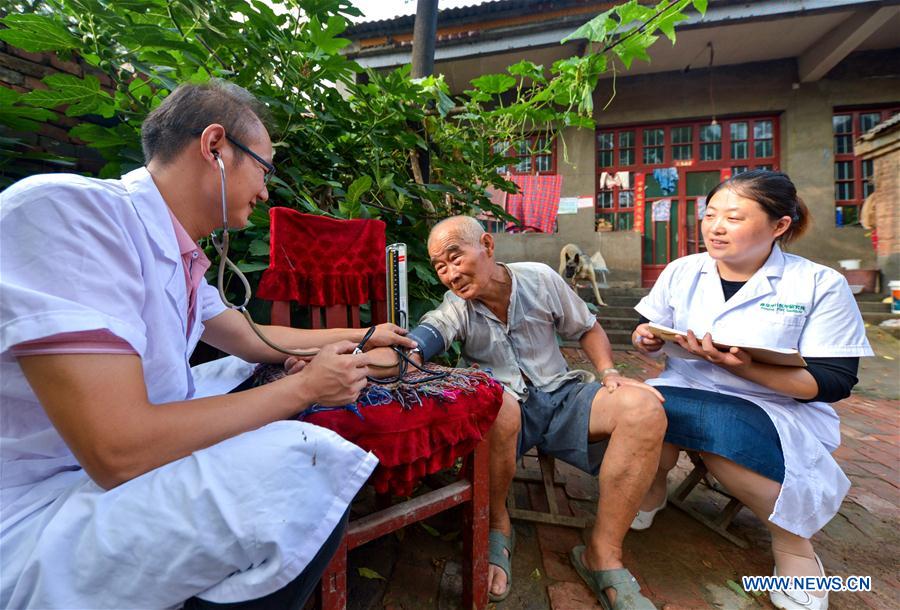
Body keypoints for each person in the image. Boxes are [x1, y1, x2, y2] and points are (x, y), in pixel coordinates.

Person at [0, 79, 415, 609]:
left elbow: (255, 338)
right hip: (38, 505)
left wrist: (366, 335)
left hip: (105, 477)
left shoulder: (183, 258)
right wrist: (305, 387)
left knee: (257, 395)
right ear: (215, 147)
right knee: (300, 467)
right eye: (264, 169)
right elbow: (116, 450)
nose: (265, 192)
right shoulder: (70, 214)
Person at [631, 170, 872, 610]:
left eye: (734, 217)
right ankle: (651, 489)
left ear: (779, 225)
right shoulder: (683, 270)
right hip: (682, 385)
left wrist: (745, 369)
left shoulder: (819, 284)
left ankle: (794, 547)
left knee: (721, 437)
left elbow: (833, 381)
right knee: (634, 411)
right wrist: (643, 338)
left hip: (771, 404)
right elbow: (647, 329)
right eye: (710, 215)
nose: (715, 227)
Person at [412, 216, 666, 609]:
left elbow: (587, 327)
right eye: (440, 267)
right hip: (507, 410)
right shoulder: (456, 307)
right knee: (499, 405)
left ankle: (602, 553)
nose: (450, 275)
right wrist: (405, 350)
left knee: (644, 408)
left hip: (561, 393)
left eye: (454, 257)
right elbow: (429, 335)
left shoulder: (540, 279)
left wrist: (610, 372)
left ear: (487, 246)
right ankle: (498, 524)